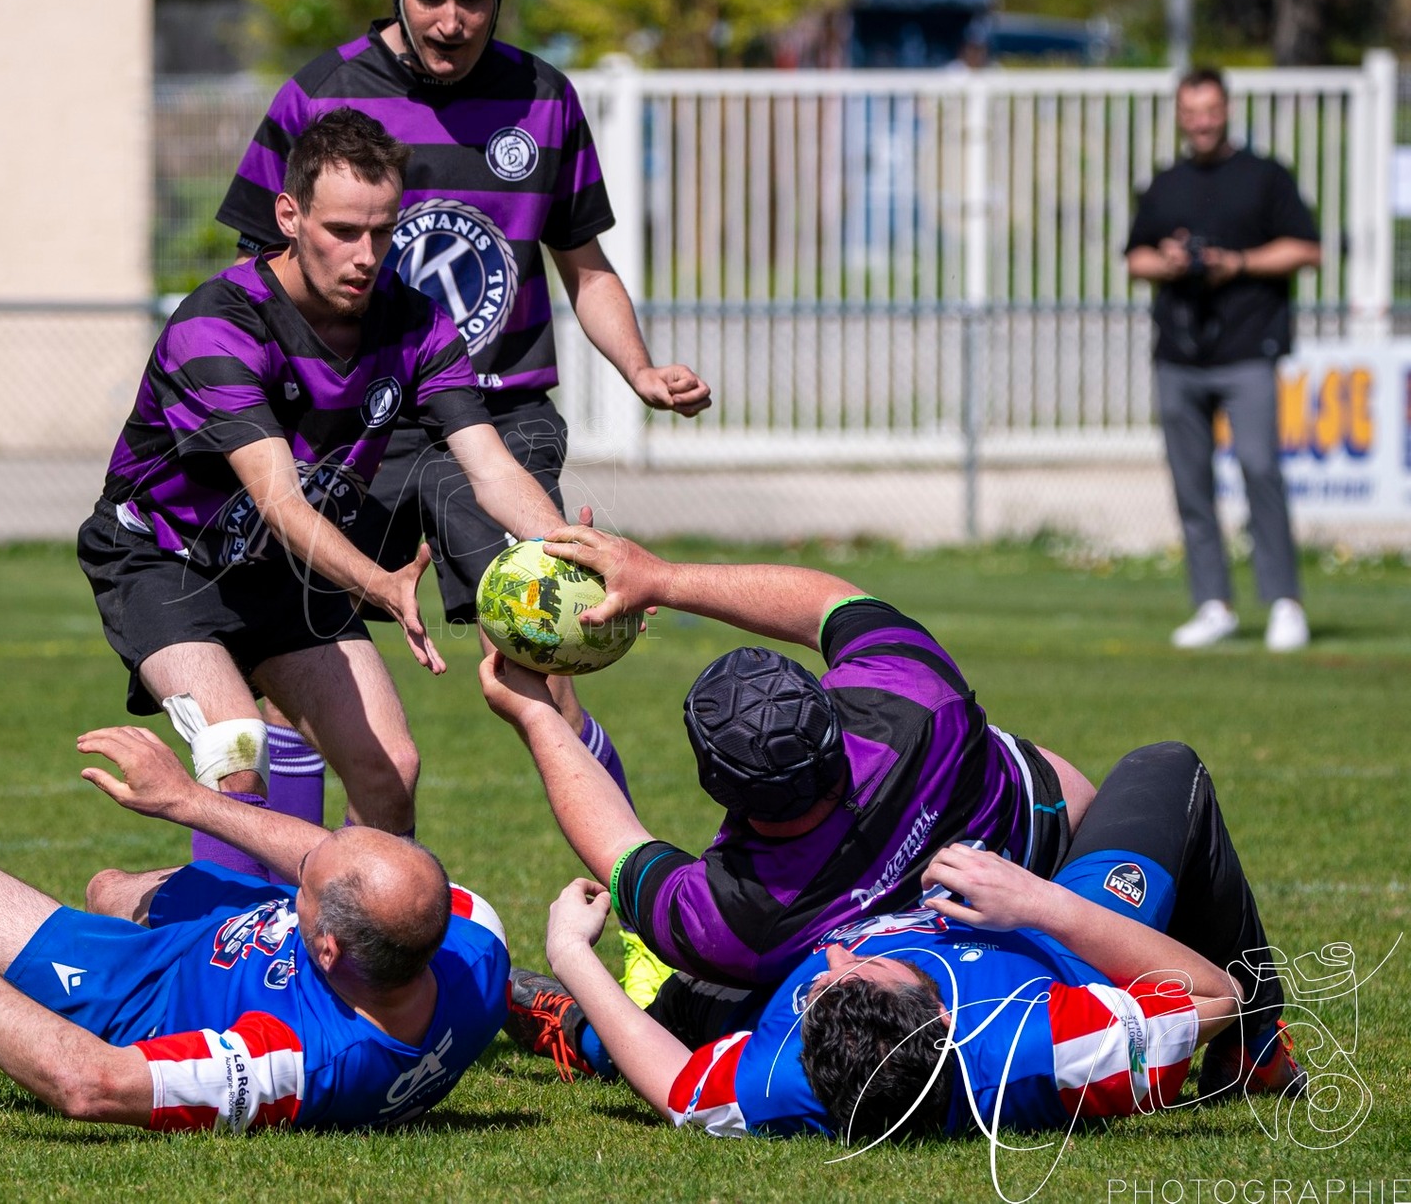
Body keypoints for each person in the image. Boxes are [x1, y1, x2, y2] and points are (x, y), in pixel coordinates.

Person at [217, 0, 710, 999]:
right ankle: (302, 928)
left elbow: (582, 267)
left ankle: (630, 920)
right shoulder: (321, 93)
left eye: (471, 0)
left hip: (495, 421)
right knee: (284, 651)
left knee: (542, 646)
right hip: (348, 423)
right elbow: (260, 274)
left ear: (498, 0)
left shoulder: (541, 99)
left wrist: (637, 369)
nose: (449, 20)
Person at [82, 108, 564, 870]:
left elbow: (492, 466)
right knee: (235, 756)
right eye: (343, 230)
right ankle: (162, 925)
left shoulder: (417, 323)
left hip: (280, 569)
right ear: (289, 215)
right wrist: (381, 584)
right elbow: (280, 500)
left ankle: (361, 963)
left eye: (383, 230)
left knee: (390, 773)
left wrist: (570, 551)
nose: (366, 255)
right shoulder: (219, 327)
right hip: (167, 561)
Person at [0, 724, 510, 1132]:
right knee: (111, 883)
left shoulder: (295, 1064)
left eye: (310, 889)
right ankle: (122, 904)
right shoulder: (469, 942)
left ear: (325, 945)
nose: (305, 869)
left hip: (140, 994)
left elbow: (92, 1084)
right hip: (218, 939)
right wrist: (186, 800)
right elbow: (326, 866)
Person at [507, 740, 1304, 1141]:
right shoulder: (1049, 1048)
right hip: (1075, 933)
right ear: (940, 1010)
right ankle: (1258, 1056)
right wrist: (1039, 901)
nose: (837, 952)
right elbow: (1215, 993)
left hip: (771, 1001)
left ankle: (568, 1028)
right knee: (1171, 767)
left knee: (680, 1013)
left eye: (824, 983)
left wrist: (574, 953)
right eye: (868, 964)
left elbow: (679, 1084)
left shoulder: (792, 1081)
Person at [477, 524, 1097, 993]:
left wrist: (535, 715)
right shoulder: (911, 689)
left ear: (718, 785)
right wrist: (661, 577)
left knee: (701, 1009)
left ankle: (576, 1027)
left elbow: (619, 848)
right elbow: (829, 604)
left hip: (931, 974)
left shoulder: (733, 916)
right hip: (1053, 851)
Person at [1126, 67, 1322, 653]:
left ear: (1226, 109)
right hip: (1179, 352)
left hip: (1248, 349)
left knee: (1261, 468)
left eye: (1209, 110)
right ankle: (1213, 605)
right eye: (1190, 112)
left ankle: (1284, 602)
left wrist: (1235, 263)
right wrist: (1167, 261)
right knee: (1191, 484)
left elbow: (1306, 248)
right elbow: (1134, 257)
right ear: (1180, 115)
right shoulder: (1165, 184)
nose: (1201, 121)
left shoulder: (1265, 177)